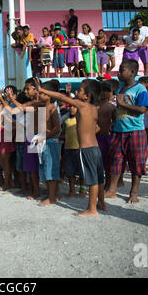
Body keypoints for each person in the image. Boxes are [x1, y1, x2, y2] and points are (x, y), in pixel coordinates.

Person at [37, 79, 107, 216]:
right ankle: (101, 203)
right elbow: (96, 127)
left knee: (92, 180)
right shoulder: (93, 108)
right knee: (99, 178)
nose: (77, 92)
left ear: (87, 96)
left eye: (80, 90)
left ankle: (92, 209)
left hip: (86, 149)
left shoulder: (82, 106)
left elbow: (61, 97)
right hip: (95, 148)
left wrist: (42, 90)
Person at [104, 59, 148, 203]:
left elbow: (142, 109)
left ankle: (133, 192)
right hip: (119, 130)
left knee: (136, 162)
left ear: (132, 72)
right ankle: (112, 190)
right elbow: (119, 109)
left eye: (122, 70)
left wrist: (123, 103)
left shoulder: (140, 89)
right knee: (116, 159)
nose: (119, 72)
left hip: (135, 131)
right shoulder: (120, 89)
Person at [61, 103, 85, 197]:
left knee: (81, 172)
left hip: (79, 149)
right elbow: (63, 133)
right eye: (70, 106)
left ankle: (82, 190)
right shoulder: (66, 120)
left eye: (74, 106)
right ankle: (72, 191)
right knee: (70, 172)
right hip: (68, 148)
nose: (72, 108)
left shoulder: (81, 120)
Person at [97, 81, 116, 191]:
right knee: (98, 163)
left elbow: (116, 120)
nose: (104, 94)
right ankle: (99, 183)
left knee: (108, 163)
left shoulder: (112, 107)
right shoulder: (95, 106)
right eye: (102, 91)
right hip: (96, 137)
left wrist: (112, 127)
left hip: (108, 138)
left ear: (110, 93)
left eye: (107, 91)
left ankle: (108, 183)